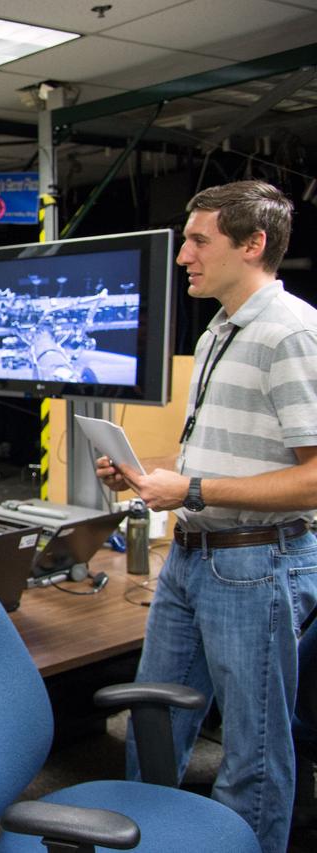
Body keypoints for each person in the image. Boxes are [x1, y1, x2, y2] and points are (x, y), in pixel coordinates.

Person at [96, 180, 317, 853]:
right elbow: (227, 454)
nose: (183, 253)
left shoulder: (290, 331)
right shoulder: (224, 326)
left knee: (251, 750)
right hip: (193, 556)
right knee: (152, 722)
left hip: (256, 562)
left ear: (253, 244)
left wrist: (188, 487)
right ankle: (154, 839)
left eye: (199, 240)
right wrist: (149, 475)